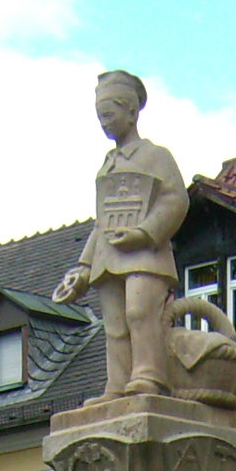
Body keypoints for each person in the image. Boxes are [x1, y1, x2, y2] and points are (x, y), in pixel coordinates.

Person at [52, 70, 189, 399]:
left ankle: (148, 375)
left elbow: (176, 199)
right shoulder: (107, 164)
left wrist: (145, 232)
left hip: (145, 253)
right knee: (114, 324)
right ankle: (117, 384)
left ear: (131, 111)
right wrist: (84, 266)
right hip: (109, 257)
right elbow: (101, 222)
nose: (104, 123)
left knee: (140, 312)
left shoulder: (155, 156)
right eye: (100, 117)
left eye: (109, 114)